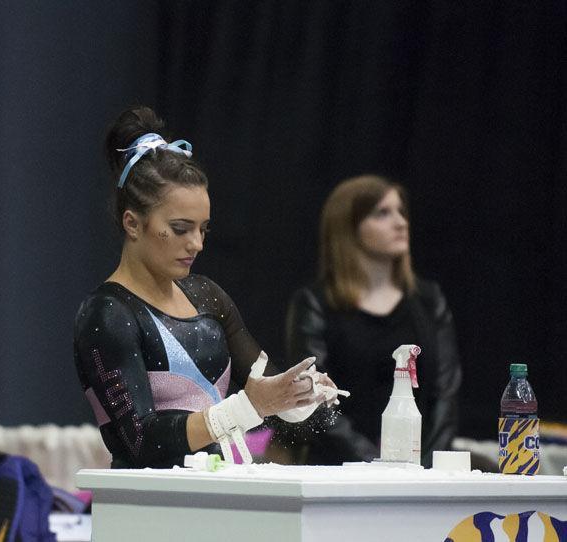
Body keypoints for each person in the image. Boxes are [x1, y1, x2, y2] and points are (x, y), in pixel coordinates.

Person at [74, 106, 336, 469]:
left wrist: (298, 395)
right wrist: (248, 407)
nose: (196, 244)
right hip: (147, 509)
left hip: (217, 491)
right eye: (181, 228)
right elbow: (139, 440)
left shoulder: (206, 295)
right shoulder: (107, 315)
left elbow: (264, 384)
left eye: (203, 229)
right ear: (132, 224)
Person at [285, 174, 462, 467]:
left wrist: (425, 468)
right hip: (340, 469)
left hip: (421, 470)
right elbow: (315, 397)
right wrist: (376, 466)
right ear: (349, 227)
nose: (401, 222)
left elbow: (446, 394)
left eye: (401, 211)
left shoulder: (429, 301)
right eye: (383, 213)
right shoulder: (315, 304)